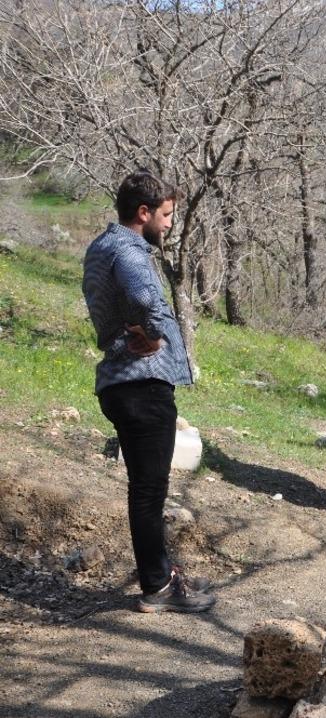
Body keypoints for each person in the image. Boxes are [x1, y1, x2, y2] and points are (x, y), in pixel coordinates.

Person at [82, 170, 214, 613]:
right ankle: (158, 586)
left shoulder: (101, 246)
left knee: (145, 489)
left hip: (120, 383)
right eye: (166, 215)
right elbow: (146, 299)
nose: (170, 223)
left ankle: (158, 575)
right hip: (142, 384)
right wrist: (155, 332)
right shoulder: (130, 251)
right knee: (149, 492)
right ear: (144, 213)